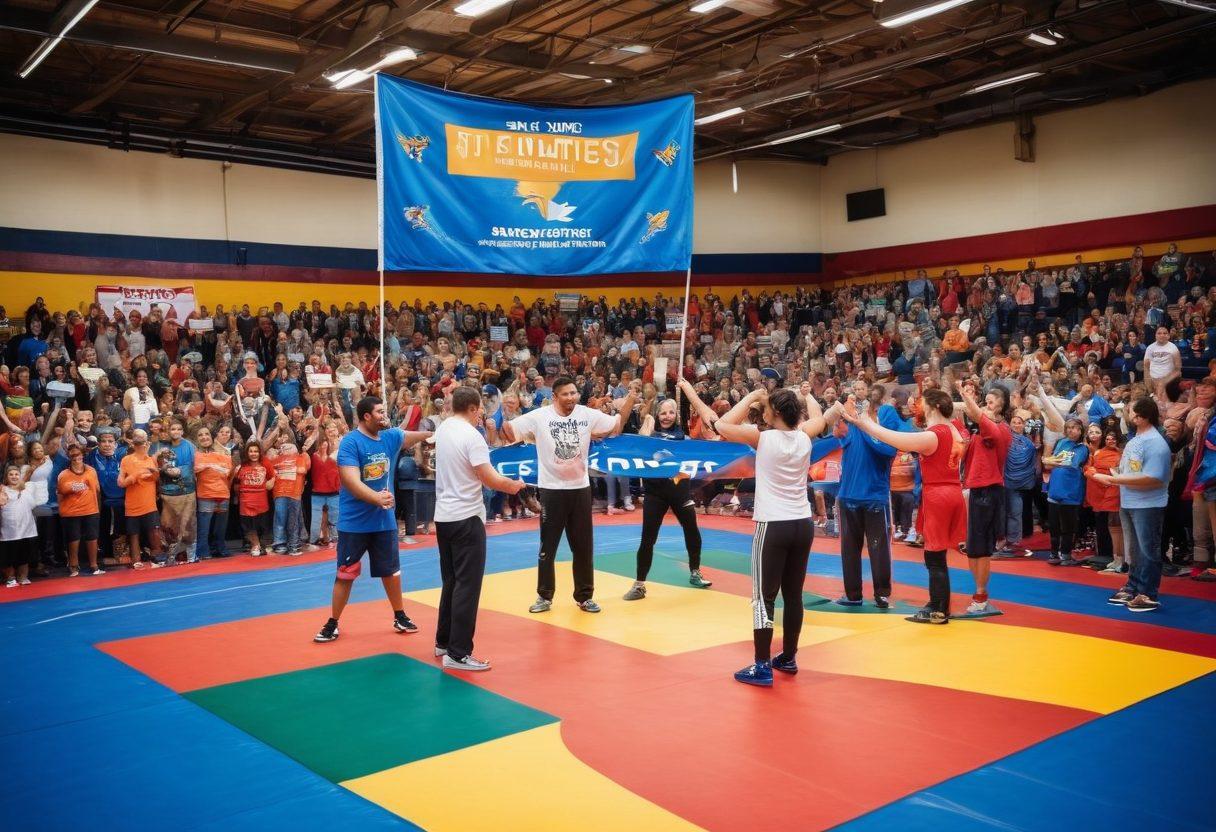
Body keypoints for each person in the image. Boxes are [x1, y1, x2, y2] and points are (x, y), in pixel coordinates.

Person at [685, 385, 825, 686]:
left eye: (768, 408)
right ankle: (788, 657)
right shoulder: (804, 436)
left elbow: (721, 425)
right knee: (793, 595)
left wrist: (750, 397)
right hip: (802, 523)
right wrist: (808, 395)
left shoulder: (763, 438)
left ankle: (762, 664)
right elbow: (820, 418)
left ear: (775, 412)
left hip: (773, 524)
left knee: (763, 597)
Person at [502, 376, 634, 614]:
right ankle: (544, 596)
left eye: (574, 393)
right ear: (554, 397)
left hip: (580, 489)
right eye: (565, 394)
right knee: (548, 547)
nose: (571, 397)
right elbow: (510, 432)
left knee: (583, 547)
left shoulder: (586, 415)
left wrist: (631, 399)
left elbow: (616, 426)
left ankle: (585, 597)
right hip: (551, 490)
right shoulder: (540, 416)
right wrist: (501, 416)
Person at [842, 389, 966, 625]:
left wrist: (865, 423)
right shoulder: (954, 428)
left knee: (934, 555)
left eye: (922, 402)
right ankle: (939, 604)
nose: (918, 406)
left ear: (934, 406)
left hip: (938, 495)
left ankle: (939, 608)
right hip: (952, 491)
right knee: (938, 553)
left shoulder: (934, 434)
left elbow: (895, 439)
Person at [314, 396, 430, 643]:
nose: (384, 415)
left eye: (384, 411)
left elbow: (413, 436)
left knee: (391, 571)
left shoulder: (390, 437)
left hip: (384, 523)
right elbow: (351, 481)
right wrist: (376, 498)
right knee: (345, 574)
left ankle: (400, 615)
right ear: (366, 416)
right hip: (354, 524)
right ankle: (333, 622)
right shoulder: (351, 443)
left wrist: (432, 434)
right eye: (379, 412)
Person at [432, 386, 526, 671]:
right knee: (467, 585)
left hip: (444, 516)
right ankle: (458, 653)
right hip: (466, 517)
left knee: (451, 581)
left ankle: (444, 642)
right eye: (480, 410)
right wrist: (514, 485)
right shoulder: (472, 436)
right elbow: (488, 477)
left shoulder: (445, 428)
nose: (481, 415)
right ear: (473, 408)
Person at [624, 392, 710, 601]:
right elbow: (638, 446)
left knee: (692, 531)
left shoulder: (685, 439)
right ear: (657, 415)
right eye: (663, 413)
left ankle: (695, 572)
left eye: (671, 412)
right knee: (648, 538)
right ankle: (639, 584)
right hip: (655, 494)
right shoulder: (650, 436)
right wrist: (647, 421)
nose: (667, 416)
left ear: (676, 415)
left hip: (680, 492)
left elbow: (700, 454)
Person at [1097, 397, 1172, 612]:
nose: (1126, 413)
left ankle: (1147, 593)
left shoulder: (1156, 442)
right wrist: (1117, 475)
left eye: (1130, 410)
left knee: (1147, 549)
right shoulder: (1136, 439)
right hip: (1130, 500)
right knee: (1134, 549)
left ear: (1141, 417)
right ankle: (1134, 585)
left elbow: (1154, 478)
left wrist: (1114, 480)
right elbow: (1134, 469)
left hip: (1148, 504)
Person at [955, 382, 1012, 613]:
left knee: (981, 548)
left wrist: (964, 394)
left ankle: (981, 596)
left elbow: (976, 413)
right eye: (987, 399)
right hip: (976, 490)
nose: (989, 402)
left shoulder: (1000, 430)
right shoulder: (979, 430)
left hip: (988, 491)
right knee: (973, 547)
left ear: (1002, 407)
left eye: (994, 400)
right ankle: (979, 595)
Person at [116, 428, 164, 569]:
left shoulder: (151, 460)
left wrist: (155, 474)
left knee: (154, 531)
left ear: (147, 443)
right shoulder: (126, 460)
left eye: (143, 441)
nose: (141, 444)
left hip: (149, 503)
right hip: (132, 504)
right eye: (138, 441)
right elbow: (121, 483)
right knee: (134, 534)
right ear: (133, 443)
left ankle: (157, 558)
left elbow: (157, 479)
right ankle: (136, 561)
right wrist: (136, 475)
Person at [57, 444, 103, 576]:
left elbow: (97, 490)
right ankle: (73, 565)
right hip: (71, 512)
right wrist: (62, 510)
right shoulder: (63, 474)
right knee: (73, 539)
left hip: (91, 510)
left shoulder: (92, 471)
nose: (76, 456)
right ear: (69, 456)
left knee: (92, 537)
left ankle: (94, 565)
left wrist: (97, 509)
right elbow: (60, 494)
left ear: (83, 454)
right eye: (73, 454)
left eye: (78, 453)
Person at [193, 426, 234, 559]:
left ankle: (220, 548)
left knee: (221, 528)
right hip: (205, 494)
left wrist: (210, 466)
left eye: (207, 434)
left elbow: (229, 472)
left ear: (212, 437)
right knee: (204, 528)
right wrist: (211, 466)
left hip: (223, 493)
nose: (204, 437)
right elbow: (195, 469)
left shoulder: (223, 454)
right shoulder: (195, 455)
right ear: (196, 439)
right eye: (200, 435)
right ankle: (202, 551)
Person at [1, 465, 39, 587]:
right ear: (6, 477)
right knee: (8, 556)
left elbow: (33, 505)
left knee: (24, 555)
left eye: (16, 474)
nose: (14, 476)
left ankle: (23, 577)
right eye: (11, 474)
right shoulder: (2, 490)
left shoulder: (27, 489)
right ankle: (10, 578)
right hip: (8, 530)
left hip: (27, 529)